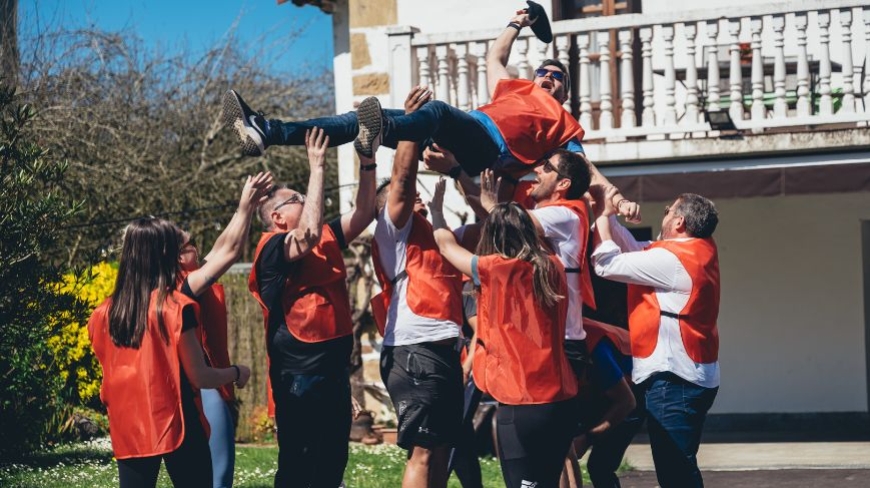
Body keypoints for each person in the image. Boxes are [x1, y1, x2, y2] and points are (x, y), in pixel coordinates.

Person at [222, 6, 584, 181]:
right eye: (544, 72)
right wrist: (517, 22)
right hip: (463, 131)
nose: (548, 77)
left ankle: (380, 130)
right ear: (534, 78)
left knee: (437, 110)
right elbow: (496, 56)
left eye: (558, 77)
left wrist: (612, 196)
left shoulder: (564, 122)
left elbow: (585, 170)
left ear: (564, 94)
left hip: (486, 148)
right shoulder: (513, 89)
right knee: (354, 121)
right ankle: (268, 132)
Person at [248, 126, 377, 488]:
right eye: (298, 198)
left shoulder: (328, 236)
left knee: (332, 466)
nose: (307, 199)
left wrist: (367, 162)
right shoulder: (272, 248)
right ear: (277, 217)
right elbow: (305, 236)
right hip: (299, 379)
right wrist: (316, 167)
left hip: (333, 373)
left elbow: (365, 212)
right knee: (300, 469)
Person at [431, 182, 579, 488]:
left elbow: (446, 246)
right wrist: (496, 208)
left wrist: (436, 210)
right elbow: (520, 239)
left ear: (493, 235)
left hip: (519, 398)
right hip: (560, 400)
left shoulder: (493, 269)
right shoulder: (553, 266)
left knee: (521, 484)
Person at [88, 217, 252, 488]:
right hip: (178, 421)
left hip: (128, 425)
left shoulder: (103, 313)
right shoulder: (175, 308)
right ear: (164, 254)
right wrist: (236, 372)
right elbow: (199, 377)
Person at [591, 189, 721, 488]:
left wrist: (602, 215)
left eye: (667, 209)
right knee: (680, 468)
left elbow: (606, 265)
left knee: (676, 472)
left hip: (674, 378)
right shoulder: (698, 249)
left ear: (679, 222)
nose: (663, 212)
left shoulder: (671, 261)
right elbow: (637, 248)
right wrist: (612, 214)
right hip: (689, 375)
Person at [368, 87, 465, 485]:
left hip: (443, 353)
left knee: (442, 449)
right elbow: (404, 181)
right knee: (423, 451)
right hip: (414, 350)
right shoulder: (394, 230)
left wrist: (459, 171)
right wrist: (411, 126)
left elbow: (491, 223)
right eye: (410, 200)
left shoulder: (438, 233)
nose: (418, 200)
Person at [177, 171, 273, 488]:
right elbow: (228, 251)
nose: (196, 245)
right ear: (176, 257)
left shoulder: (194, 279)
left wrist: (243, 207)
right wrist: (245, 206)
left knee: (217, 476)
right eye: (188, 244)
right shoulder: (183, 287)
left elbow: (222, 246)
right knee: (217, 479)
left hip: (212, 385)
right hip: (204, 389)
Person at [560, 318, 642, 488]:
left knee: (600, 466)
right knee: (560, 449)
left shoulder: (597, 352)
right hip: (597, 390)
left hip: (633, 393)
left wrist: (587, 437)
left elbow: (627, 403)